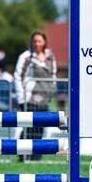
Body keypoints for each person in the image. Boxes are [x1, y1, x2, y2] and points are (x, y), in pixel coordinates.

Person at [14, 31, 57, 161]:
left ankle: (36, 157)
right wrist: (21, 99)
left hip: (45, 98)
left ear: (44, 42)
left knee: (40, 128)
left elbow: (53, 75)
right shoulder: (26, 57)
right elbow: (18, 77)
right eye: (35, 41)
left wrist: (52, 91)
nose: (37, 44)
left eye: (40, 41)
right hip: (30, 98)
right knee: (28, 127)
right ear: (31, 42)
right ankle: (23, 155)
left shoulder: (50, 56)